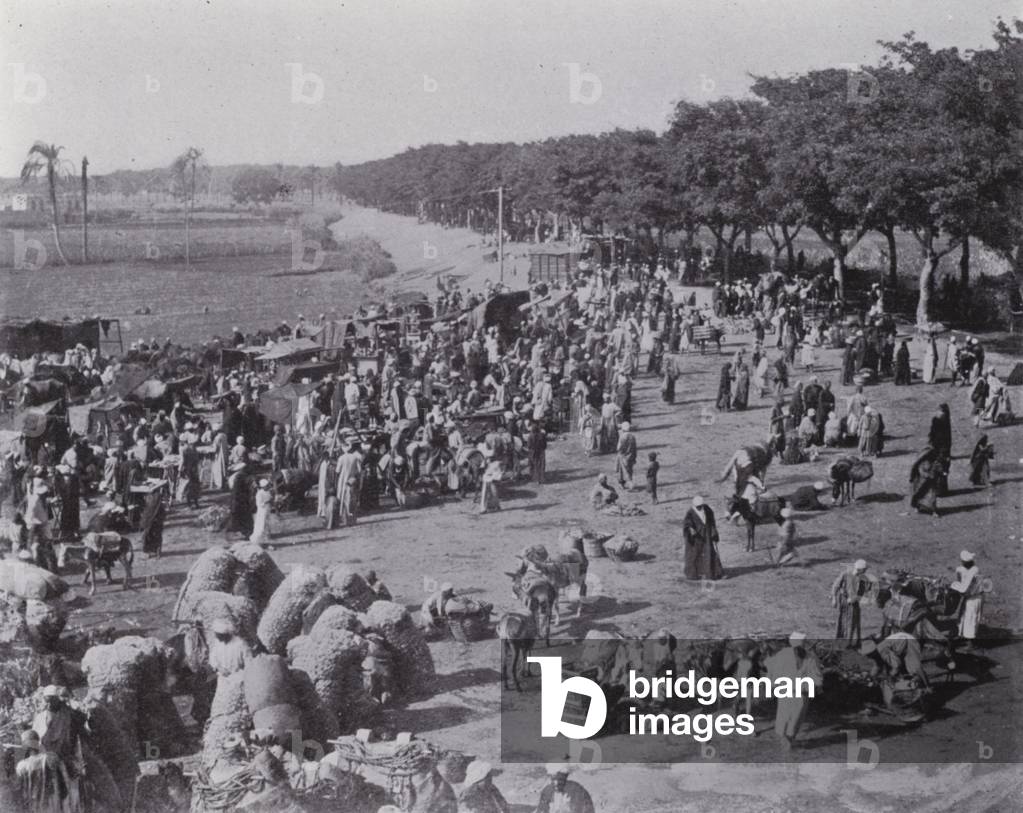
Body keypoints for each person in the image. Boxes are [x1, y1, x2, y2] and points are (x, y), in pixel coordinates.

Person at [764, 632, 822, 750]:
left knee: (797, 717)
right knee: (784, 716)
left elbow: (817, 676)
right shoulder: (783, 655)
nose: (798, 651)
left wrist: (811, 684)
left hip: (802, 692)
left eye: (801, 647)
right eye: (797, 648)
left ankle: (790, 739)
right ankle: (784, 738)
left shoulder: (811, 657)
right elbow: (772, 669)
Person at [831, 559, 878, 647]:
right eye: (864, 570)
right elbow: (836, 585)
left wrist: (856, 598)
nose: (865, 572)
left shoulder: (863, 578)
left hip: (854, 602)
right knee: (842, 619)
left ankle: (850, 642)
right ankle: (840, 639)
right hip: (843, 601)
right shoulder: (845, 574)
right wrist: (834, 598)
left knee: (853, 621)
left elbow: (865, 591)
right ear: (859, 569)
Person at [682, 495, 724, 581]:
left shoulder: (707, 510)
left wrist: (714, 533)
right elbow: (687, 524)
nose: (700, 508)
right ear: (694, 505)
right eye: (698, 507)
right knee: (694, 555)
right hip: (696, 538)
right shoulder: (690, 513)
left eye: (701, 506)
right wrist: (690, 529)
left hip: (707, 535)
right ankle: (693, 574)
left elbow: (712, 522)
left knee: (709, 553)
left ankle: (713, 574)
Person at [950, 550, 983, 645]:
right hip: (970, 597)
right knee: (963, 616)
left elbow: (963, 588)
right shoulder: (970, 569)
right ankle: (963, 636)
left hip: (974, 598)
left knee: (971, 618)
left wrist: (953, 585)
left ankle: (970, 643)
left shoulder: (974, 571)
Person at [909, 446, 943, 516]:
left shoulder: (935, 462)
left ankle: (933, 510)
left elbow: (939, 469)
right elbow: (920, 471)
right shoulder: (923, 463)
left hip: (931, 484)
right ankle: (918, 507)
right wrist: (927, 475)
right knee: (919, 496)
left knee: (932, 497)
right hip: (922, 483)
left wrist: (939, 471)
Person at [335, 442, 362, 527]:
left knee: (343, 498)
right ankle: (352, 519)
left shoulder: (341, 458)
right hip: (352, 480)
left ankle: (345, 519)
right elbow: (359, 470)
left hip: (343, 480)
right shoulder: (355, 457)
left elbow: (337, 471)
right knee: (352, 499)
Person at [228, 462, 255, 538]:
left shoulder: (233, 477)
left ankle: (238, 530)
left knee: (237, 515)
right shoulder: (240, 477)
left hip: (236, 498)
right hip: (240, 499)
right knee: (243, 516)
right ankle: (244, 531)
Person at [139, 489, 166, 558]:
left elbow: (162, 515)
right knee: (150, 537)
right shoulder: (153, 503)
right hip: (152, 524)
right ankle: (153, 552)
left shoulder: (155, 505)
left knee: (153, 537)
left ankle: (155, 552)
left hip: (154, 524)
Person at [615, 421, 637, 489]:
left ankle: (627, 483)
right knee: (629, 470)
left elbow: (618, 448)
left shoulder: (622, 437)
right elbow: (634, 447)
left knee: (622, 470)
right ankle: (627, 482)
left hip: (622, 456)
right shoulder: (632, 436)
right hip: (631, 455)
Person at [251, 478, 273, 543]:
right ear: (263, 487)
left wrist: (271, 502)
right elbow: (259, 504)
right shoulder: (259, 493)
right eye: (266, 486)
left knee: (267, 523)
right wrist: (267, 502)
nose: (268, 487)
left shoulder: (268, 492)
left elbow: (270, 499)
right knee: (261, 525)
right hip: (262, 511)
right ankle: (258, 539)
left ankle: (266, 537)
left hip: (267, 509)